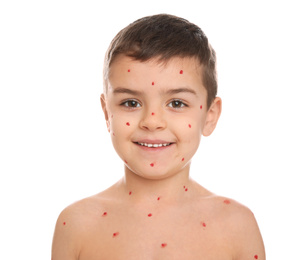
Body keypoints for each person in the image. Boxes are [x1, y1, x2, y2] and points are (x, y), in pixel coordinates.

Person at [52, 14, 265, 260]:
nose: (152, 121)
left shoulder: (237, 226)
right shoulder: (77, 225)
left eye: (176, 103)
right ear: (106, 113)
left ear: (209, 115)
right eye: (130, 102)